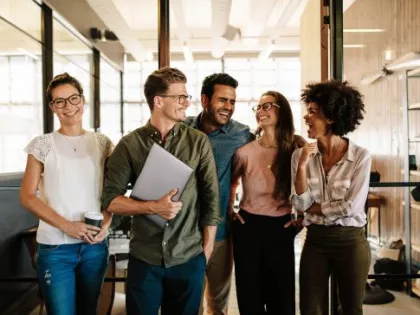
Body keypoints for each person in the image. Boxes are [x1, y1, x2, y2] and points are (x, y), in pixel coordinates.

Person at [101, 67, 221, 315]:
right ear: (158, 101)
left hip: (188, 256)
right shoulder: (130, 144)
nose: (186, 103)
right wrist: (151, 207)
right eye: (179, 97)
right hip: (145, 258)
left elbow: (211, 198)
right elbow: (111, 199)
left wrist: (206, 249)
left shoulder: (198, 141)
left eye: (186, 97)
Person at [20, 73, 113, 315]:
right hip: (56, 250)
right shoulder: (42, 144)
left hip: (94, 247)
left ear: (83, 101)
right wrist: (67, 226)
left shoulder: (103, 143)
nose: (68, 107)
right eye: (59, 101)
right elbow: (28, 196)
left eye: (73, 98)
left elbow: (113, 191)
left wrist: (107, 222)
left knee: (88, 310)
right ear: (52, 107)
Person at [291, 80, 371, 315]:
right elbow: (299, 204)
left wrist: (312, 207)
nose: (306, 117)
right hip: (315, 240)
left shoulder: (360, 157)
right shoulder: (299, 156)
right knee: (310, 309)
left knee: (350, 309)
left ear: (332, 117)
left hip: (351, 241)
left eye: (313, 112)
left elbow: (351, 208)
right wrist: (304, 163)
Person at [230, 91, 305, 315]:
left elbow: (309, 188)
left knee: (281, 299)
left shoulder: (297, 148)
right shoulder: (244, 152)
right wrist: (230, 211)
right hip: (248, 226)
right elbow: (231, 183)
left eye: (268, 106)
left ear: (282, 111)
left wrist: (301, 219)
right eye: (259, 107)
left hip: (280, 227)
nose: (261, 111)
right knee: (249, 296)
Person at [184, 73, 254, 315]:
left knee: (218, 304)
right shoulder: (181, 130)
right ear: (204, 100)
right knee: (190, 305)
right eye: (222, 100)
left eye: (232, 102)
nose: (228, 107)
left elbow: (271, 151)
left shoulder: (241, 134)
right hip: (184, 235)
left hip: (222, 233)